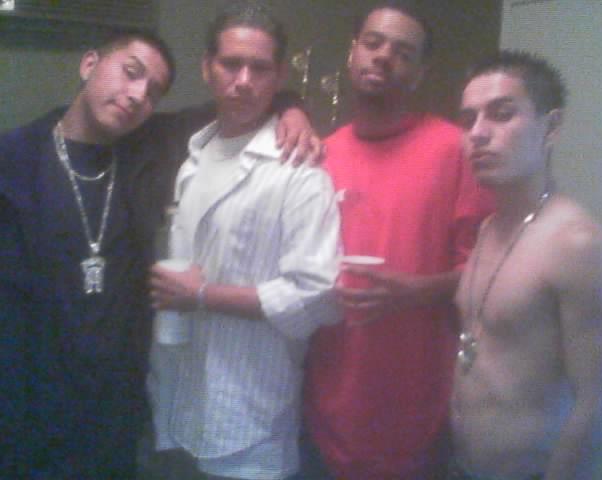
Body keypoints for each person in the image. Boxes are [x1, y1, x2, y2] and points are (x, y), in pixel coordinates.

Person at [0, 29, 320, 479]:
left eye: (153, 92)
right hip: (26, 405)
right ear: (89, 64)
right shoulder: (13, 161)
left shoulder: (149, 144)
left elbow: (239, 99)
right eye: (130, 72)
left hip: (118, 410)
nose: (137, 95)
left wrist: (292, 107)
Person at [147, 4, 340, 480]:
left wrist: (202, 295)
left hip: (250, 418)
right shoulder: (192, 155)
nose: (244, 80)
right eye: (231, 64)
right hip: (178, 397)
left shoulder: (299, 172)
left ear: (279, 76)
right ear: (207, 68)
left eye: (260, 68)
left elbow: (317, 294)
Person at [302, 1, 494, 478]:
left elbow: (491, 273)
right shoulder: (322, 155)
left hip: (416, 408)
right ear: (353, 52)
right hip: (326, 400)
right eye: (373, 43)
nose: (384, 56)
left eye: (403, 53)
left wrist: (419, 290)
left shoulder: (454, 149)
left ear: (421, 72)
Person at [449, 50, 602, 480]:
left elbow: (598, 402)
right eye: (468, 119)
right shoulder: (489, 227)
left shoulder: (577, 244)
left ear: (551, 126)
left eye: (501, 114)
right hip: (462, 465)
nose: (477, 133)